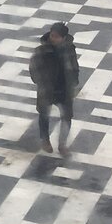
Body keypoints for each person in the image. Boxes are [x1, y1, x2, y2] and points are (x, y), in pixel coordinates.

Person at [29, 22, 81, 156]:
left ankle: (62, 144)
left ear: (64, 37)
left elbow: (74, 66)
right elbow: (33, 67)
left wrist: (74, 82)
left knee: (67, 117)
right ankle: (45, 140)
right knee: (44, 114)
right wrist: (40, 82)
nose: (54, 39)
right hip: (47, 88)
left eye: (57, 37)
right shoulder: (42, 50)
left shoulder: (69, 49)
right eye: (52, 35)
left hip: (64, 89)